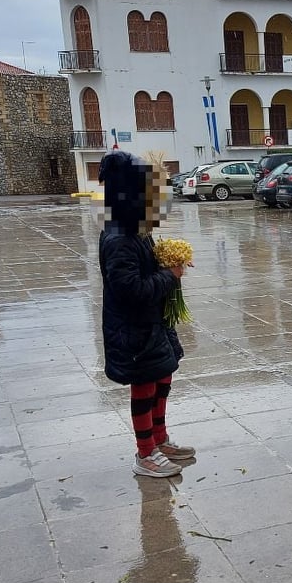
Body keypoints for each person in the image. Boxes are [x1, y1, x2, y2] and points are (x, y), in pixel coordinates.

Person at [98, 151, 195, 477]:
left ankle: (159, 438)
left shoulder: (137, 230)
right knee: (144, 386)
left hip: (152, 325)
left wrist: (166, 260)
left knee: (163, 375)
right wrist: (171, 276)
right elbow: (131, 290)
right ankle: (145, 454)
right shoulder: (119, 239)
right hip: (133, 330)